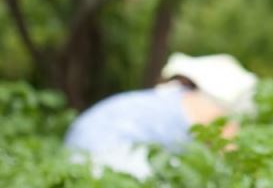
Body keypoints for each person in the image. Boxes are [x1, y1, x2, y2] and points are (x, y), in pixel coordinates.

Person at [64, 53, 259, 179]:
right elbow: (234, 160)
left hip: (72, 156)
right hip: (113, 159)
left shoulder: (164, 97)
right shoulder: (207, 106)